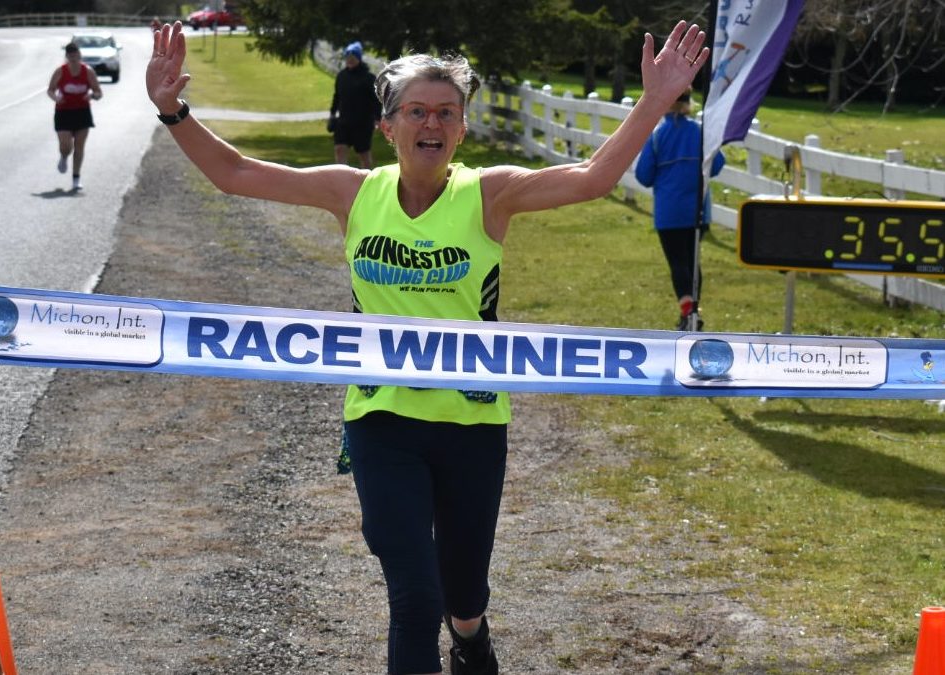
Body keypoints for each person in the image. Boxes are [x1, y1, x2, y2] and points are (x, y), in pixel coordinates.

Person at [146, 19, 707, 675]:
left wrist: (653, 101)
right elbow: (236, 173)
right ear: (388, 127)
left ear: (462, 129)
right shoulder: (352, 192)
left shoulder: (488, 193)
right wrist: (173, 111)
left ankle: (471, 638)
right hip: (382, 420)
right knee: (414, 595)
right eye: (415, 110)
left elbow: (589, 177)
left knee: (461, 597)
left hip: (471, 421)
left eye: (445, 112)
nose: (430, 123)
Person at [635, 88, 725, 331]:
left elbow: (643, 175)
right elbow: (717, 164)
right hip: (697, 210)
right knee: (693, 262)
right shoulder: (700, 132)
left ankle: (688, 313)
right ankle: (693, 311)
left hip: (669, 211)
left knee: (678, 262)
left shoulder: (657, 135)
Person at [48, 42, 103, 191]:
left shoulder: (88, 71)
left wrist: (92, 95)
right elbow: (50, 90)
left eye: (75, 55)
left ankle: (76, 178)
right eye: (70, 55)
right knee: (66, 146)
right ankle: (64, 156)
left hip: (82, 112)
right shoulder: (60, 71)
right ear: (66, 57)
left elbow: (99, 92)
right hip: (63, 112)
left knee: (79, 147)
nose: (73, 58)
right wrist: (56, 98)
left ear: (80, 55)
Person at [328, 41, 381, 169]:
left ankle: (367, 180)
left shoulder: (369, 78)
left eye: (353, 58)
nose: (350, 60)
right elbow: (337, 96)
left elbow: (376, 100)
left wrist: (378, 118)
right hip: (344, 121)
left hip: (363, 123)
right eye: (348, 58)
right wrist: (332, 113)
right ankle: (341, 179)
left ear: (359, 58)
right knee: (339, 148)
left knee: (363, 154)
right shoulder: (341, 76)